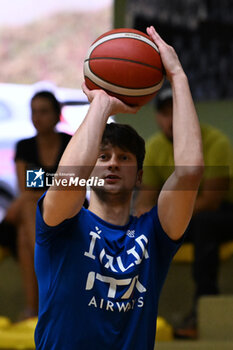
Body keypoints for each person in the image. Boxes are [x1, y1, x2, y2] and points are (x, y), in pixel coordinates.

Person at [34, 26, 204, 349]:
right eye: (103, 156)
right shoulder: (62, 225)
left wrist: (178, 75)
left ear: (139, 176)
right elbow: (69, 180)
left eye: (123, 158)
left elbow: (190, 172)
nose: (112, 163)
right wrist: (101, 103)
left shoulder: (154, 233)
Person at [134, 86, 233, 339]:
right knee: (137, 229)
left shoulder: (215, 142)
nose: (170, 120)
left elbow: (211, 201)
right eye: (165, 114)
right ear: (158, 118)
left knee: (204, 222)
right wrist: (144, 223)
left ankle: (202, 308)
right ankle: (132, 310)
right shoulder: (154, 147)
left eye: (176, 113)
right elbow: (144, 201)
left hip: (222, 214)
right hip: (181, 217)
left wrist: (165, 219)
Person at [3, 90, 72, 318]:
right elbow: (26, 191)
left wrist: (35, 194)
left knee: (26, 212)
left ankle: (34, 308)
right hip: (35, 214)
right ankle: (40, 304)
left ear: (56, 114)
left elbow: (70, 188)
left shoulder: (69, 143)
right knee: (24, 227)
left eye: (43, 111)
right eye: (33, 112)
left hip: (68, 210)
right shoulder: (25, 146)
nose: (37, 117)